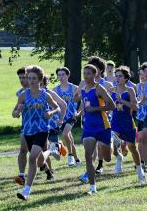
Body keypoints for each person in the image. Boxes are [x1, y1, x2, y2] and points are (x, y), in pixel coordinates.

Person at [13, 66, 62, 201]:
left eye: (34, 78)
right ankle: (52, 150)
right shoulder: (23, 95)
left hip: (42, 129)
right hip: (28, 131)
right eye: (29, 78)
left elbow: (57, 107)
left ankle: (26, 191)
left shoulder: (45, 95)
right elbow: (14, 113)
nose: (31, 81)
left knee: (32, 157)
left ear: (40, 80)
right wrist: (18, 112)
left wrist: (51, 113)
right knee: (40, 160)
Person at [73, 64, 116, 195]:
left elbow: (112, 105)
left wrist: (96, 109)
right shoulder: (83, 89)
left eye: (88, 74)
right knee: (88, 155)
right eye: (84, 73)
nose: (86, 76)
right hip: (89, 128)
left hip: (103, 126)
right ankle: (92, 188)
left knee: (108, 158)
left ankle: (113, 142)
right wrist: (80, 112)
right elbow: (79, 101)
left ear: (95, 75)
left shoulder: (99, 88)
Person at [110, 66, 145, 183]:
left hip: (128, 122)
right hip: (115, 121)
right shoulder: (112, 90)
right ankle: (118, 156)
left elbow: (136, 107)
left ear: (125, 78)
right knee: (112, 139)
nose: (117, 78)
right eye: (116, 76)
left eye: (120, 76)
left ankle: (140, 171)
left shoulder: (130, 90)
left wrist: (123, 101)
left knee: (132, 147)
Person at [54, 67, 81, 167]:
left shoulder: (74, 88)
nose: (61, 77)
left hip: (71, 115)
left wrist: (79, 112)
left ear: (68, 75)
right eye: (59, 75)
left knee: (65, 134)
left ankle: (70, 155)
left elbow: (82, 100)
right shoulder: (55, 90)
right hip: (61, 117)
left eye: (63, 74)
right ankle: (77, 159)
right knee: (69, 139)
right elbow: (53, 104)